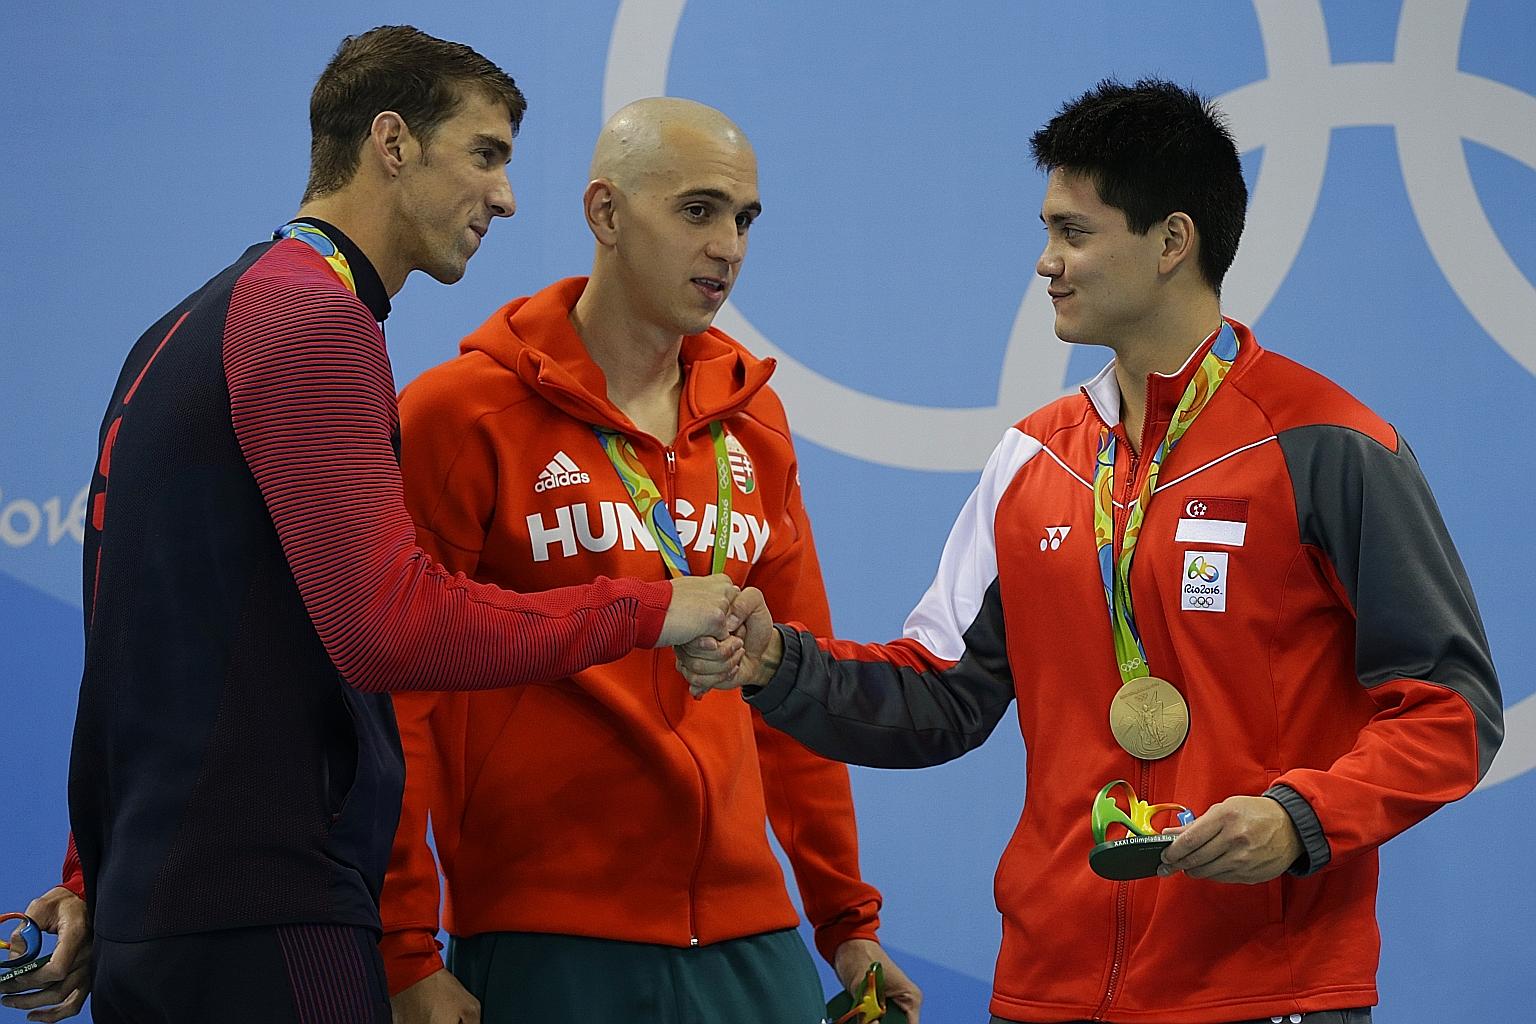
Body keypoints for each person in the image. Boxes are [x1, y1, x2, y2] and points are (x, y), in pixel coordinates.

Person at [679, 79, 1502, 1024]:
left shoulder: (1327, 445)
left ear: (1170, 242)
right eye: (1047, 230)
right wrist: (778, 664)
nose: (1045, 263)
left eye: (1074, 233)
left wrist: (1300, 820)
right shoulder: (1034, 460)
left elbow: (1451, 707)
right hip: (1051, 989)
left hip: (1263, 989)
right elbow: (938, 698)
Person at [0, 29, 744, 1024]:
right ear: (391, 142)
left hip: (161, 914)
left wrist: (94, 872)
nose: (507, 196)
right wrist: (651, 608)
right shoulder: (314, 322)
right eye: (485, 153)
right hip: (267, 919)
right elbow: (388, 626)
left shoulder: (184, 326)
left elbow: (128, 641)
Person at [380, 97, 920, 1024]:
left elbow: (795, 681)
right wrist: (404, 947)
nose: (729, 248)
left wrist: (843, 917)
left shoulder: (756, 424)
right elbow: (402, 697)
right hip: (550, 934)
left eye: (745, 219)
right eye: (698, 210)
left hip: (754, 937)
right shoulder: (459, 415)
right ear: (606, 215)